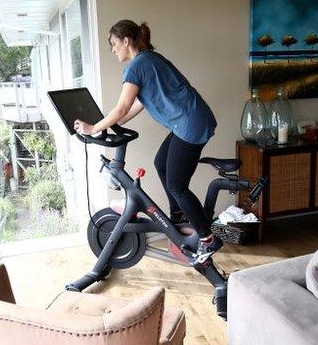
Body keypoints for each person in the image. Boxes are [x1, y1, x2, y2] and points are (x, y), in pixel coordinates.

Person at [74, 20, 221, 264]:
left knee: (177, 185)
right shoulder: (151, 59)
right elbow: (138, 103)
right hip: (191, 119)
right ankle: (178, 218)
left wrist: (93, 128)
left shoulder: (136, 67)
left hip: (189, 124)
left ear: (126, 41)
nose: (113, 50)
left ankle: (207, 238)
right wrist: (109, 124)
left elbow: (122, 107)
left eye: (113, 44)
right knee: (161, 162)